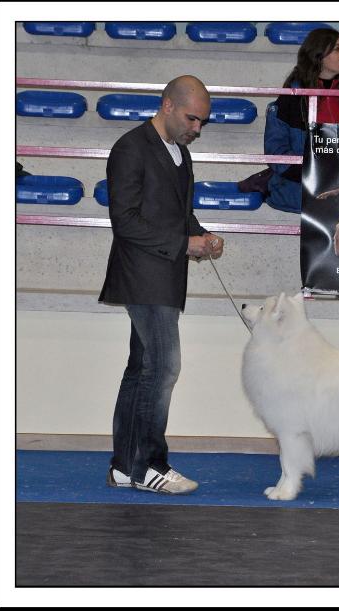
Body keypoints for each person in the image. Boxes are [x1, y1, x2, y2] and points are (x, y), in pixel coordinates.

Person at [99, 75, 224, 495]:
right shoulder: (130, 148)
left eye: (202, 122)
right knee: (164, 368)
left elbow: (179, 214)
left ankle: (123, 466)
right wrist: (182, 242)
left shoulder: (180, 153)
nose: (197, 128)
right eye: (193, 118)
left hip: (166, 275)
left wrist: (202, 235)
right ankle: (149, 466)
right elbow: (125, 222)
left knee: (141, 371)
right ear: (167, 105)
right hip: (141, 276)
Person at [240, 28, 339, 213]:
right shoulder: (289, 99)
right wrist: (313, 174)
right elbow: (276, 153)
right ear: (318, 55)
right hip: (299, 196)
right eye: (337, 48)